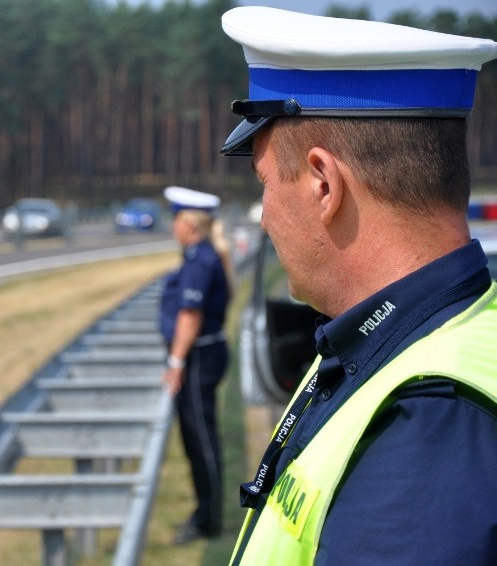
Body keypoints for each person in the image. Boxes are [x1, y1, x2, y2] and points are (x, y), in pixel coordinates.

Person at [218, 7, 497, 565]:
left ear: (324, 184)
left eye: (265, 183)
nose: (265, 216)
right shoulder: (400, 344)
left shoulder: (427, 425)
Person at [158, 185, 231, 544]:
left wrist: (175, 361)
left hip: (198, 357)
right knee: (195, 440)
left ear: (189, 223)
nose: (173, 225)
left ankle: (210, 520)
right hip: (198, 355)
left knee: (201, 441)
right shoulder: (198, 255)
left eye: (176, 218)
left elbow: (190, 315)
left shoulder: (201, 259)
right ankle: (206, 512)